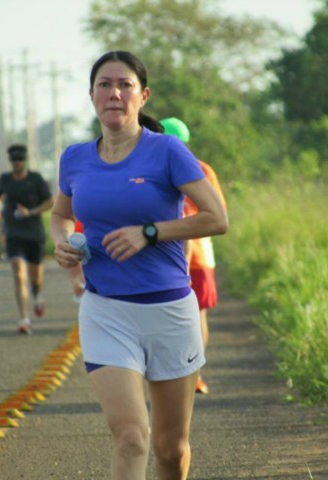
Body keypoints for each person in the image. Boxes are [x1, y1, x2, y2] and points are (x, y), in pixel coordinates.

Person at [50, 51, 228, 480]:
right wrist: (61, 244)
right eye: (104, 84)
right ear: (91, 95)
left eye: (125, 85)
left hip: (169, 311)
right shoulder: (74, 158)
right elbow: (60, 215)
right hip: (106, 310)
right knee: (131, 436)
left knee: (171, 450)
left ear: (142, 95)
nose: (114, 93)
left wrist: (149, 232)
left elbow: (216, 218)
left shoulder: (167, 151)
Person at [161, 117, 228, 395]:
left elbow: (217, 214)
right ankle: (192, 376)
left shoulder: (160, 166)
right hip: (189, 254)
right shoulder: (203, 169)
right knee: (195, 314)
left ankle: (187, 374)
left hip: (187, 254)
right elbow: (218, 209)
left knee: (183, 316)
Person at [0, 144, 54, 334]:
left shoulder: (35, 179)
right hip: (13, 234)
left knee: (35, 277)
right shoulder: (5, 179)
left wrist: (31, 212)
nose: (17, 162)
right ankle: (24, 318)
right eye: (13, 159)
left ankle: (37, 296)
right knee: (19, 274)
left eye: (20, 159)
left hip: (34, 234)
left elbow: (50, 201)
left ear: (25, 160)